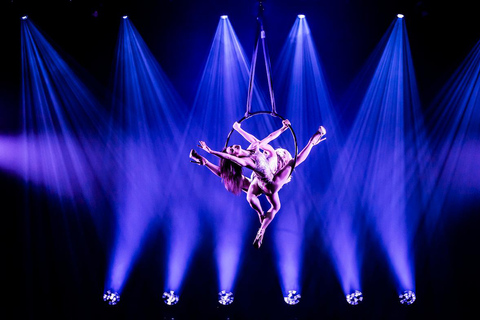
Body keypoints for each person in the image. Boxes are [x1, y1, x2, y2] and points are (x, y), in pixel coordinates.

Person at [190, 120, 326, 248]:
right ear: (236, 157)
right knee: (293, 163)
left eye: (231, 147)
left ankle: (262, 228)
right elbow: (229, 157)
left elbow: (269, 137)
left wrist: (282, 128)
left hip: (259, 182)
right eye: (232, 150)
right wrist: (211, 151)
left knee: (259, 194)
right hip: (270, 184)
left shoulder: (254, 146)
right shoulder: (245, 161)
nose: (232, 148)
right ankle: (312, 143)